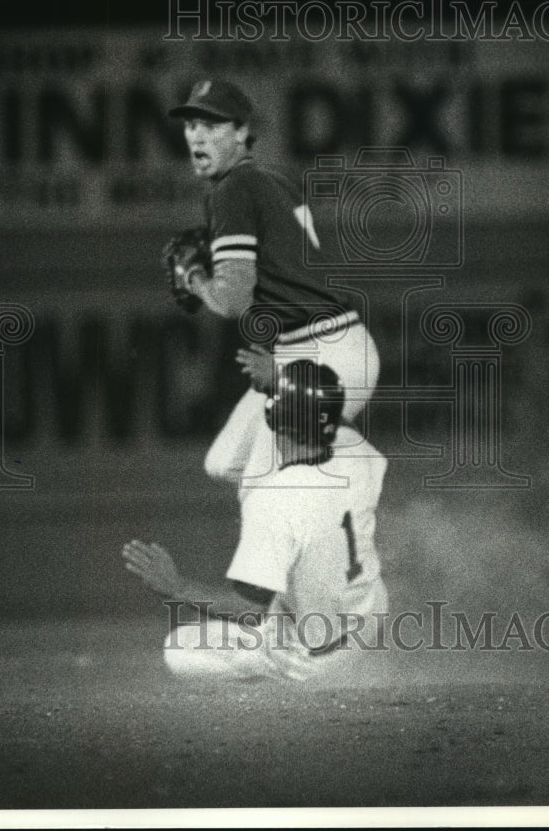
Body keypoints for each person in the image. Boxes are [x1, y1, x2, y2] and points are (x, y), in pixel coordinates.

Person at [167, 78, 380, 491]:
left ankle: (343, 472)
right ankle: (338, 456)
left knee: (266, 473)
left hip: (326, 356)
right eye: (191, 125)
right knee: (226, 462)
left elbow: (231, 301)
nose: (197, 135)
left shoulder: (231, 190)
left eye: (212, 125)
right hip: (318, 350)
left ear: (243, 131)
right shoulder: (271, 180)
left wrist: (193, 277)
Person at [122, 360, 389, 682]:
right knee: (311, 577)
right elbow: (336, 415)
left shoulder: (274, 498)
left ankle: (293, 677)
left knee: (180, 647)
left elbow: (248, 608)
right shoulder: (361, 454)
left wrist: (176, 587)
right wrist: (288, 386)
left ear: (275, 420)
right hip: (369, 624)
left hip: (318, 661)